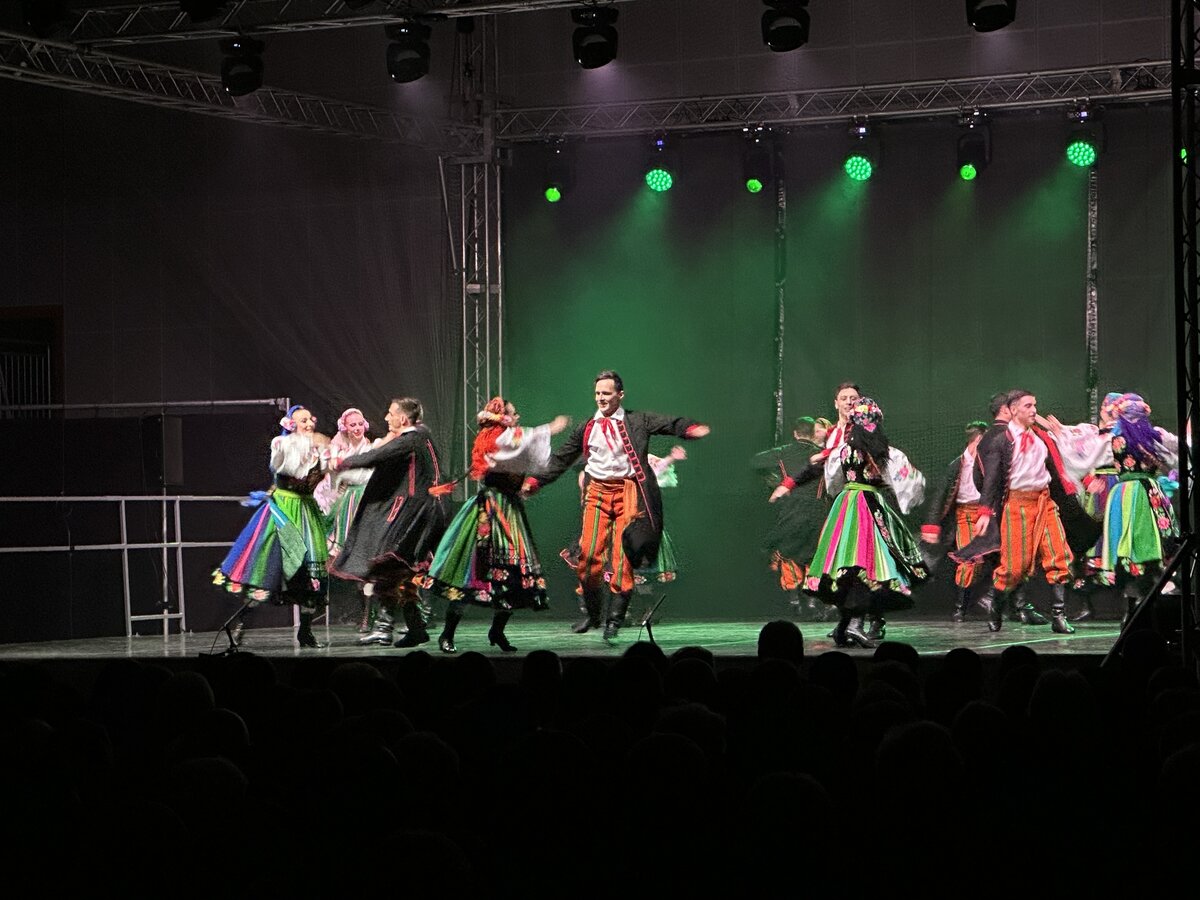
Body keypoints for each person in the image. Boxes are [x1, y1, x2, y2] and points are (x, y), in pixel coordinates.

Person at [522, 370, 709, 642]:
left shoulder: (638, 420)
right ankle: (593, 614)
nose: (601, 398)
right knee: (588, 555)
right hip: (597, 492)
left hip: (628, 491)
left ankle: (614, 621)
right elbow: (562, 458)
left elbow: (669, 423)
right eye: (597, 393)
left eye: (606, 393)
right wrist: (536, 481)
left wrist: (690, 429)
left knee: (622, 559)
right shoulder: (587, 427)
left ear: (620, 395)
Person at [772, 397, 927, 648]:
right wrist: (905, 495)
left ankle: (845, 626)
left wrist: (840, 492)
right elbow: (910, 483)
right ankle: (855, 624)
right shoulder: (885, 452)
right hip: (869, 505)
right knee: (869, 563)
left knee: (844, 563)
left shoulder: (843, 451)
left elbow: (832, 481)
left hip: (845, 505)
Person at [422, 398, 570, 653]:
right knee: (469, 571)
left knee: (513, 573)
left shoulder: (505, 438)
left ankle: (497, 630)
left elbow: (525, 455)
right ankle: (448, 633)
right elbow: (523, 441)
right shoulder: (497, 438)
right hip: (489, 510)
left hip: (509, 509)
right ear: (502, 417)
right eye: (513, 413)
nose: (517, 417)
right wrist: (550, 428)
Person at [953, 390, 1100, 635]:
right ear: (1013, 410)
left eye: (1035, 405)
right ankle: (996, 606)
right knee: (1014, 568)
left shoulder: (1041, 437)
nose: (1034, 410)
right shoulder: (1000, 439)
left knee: (1058, 554)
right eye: (1028, 406)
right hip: (1017, 505)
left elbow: (1059, 466)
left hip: (1044, 501)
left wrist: (1083, 481)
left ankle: (1059, 616)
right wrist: (985, 511)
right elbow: (990, 478)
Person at [1049, 393, 1179, 627]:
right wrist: (1173, 476)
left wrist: (1061, 436)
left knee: (1126, 546)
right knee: (1150, 543)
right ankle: (1146, 602)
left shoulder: (1113, 438)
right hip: (1149, 492)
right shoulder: (1155, 435)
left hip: (1124, 494)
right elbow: (1179, 453)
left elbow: (1082, 457)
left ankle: (1133, 605)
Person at [329, 397, 449, 648]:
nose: (386, 418)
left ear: (402, 419)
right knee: (398, 570)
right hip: (423, 511)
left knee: (389, 564)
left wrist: (342, 463)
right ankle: (409, 628)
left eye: (391, 413)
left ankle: (388, 628)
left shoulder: (410, 439)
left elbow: (378, 455)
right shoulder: (421, 436)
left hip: (413, 512)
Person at [212, 404, 330, 648]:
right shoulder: (282, 444)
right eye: (303, 420)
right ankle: (241, 624)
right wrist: (308, 445)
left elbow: (329, 472)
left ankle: (306, 631)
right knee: (268, 566)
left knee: (310, 571)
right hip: (283, 511)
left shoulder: (319, 450)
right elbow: (287, 468)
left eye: (311, 419)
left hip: (306, 511)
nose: (309, 424)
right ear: (291, 425)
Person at [756, 416, 830, 620]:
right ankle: (812, 601)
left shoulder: (783, 452)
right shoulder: (821, 455)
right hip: (816, 509)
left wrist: (774, 482)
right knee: (814, 555)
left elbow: (757, 461)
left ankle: (794, 599)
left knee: (789, 552)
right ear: (813, 433)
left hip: (791, 508)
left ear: (796, 433)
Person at [921, 420, 990, 622]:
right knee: (970, 558)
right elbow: (940, 496)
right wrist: (932, 524)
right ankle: (961, 607)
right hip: (965, 515)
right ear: (977, 440)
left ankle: (989, 597)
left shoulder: (990, 464)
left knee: (1005, 557)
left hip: (987, 514)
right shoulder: (956, 465)